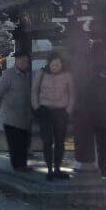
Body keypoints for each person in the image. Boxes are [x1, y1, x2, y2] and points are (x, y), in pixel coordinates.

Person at [31, 53, 75, 181]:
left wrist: (68, 110)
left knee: (60, 142)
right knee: (47, 141)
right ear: (48, 64)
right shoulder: (42, 73)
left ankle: (57, 168)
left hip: (61, 111)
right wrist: (36, 107)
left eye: (57, 64)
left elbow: (72, 94)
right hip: (45, 110)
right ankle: (49, 169)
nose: (55, 67)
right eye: (53, 64)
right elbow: (34, 91)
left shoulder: (67, 75)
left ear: (62, 65)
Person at [0, 52, 33, 171]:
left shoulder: (28, 75)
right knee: (15, 142)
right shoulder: (8, 74)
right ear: (16, 61)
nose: (23, 62)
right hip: (10, 115)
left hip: (24, 115)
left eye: (25, 61)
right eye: (21, 60)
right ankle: (17, 165)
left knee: (24, 142)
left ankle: (23, 164)